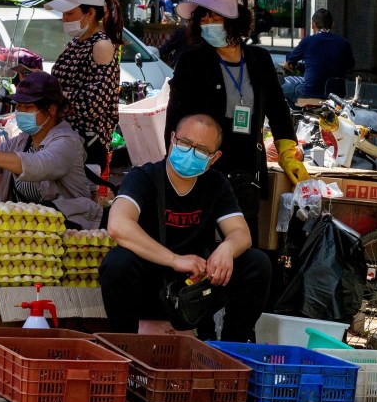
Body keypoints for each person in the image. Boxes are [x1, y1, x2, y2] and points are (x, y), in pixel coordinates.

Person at [100, 113, 271, 342]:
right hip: (150, 281)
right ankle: (126, 347)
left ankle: (234, 349)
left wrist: (227, 249)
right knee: (117, 263)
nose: (190, 153)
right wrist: (173, 259)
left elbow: (241, 233)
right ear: (172, 139)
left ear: (214, 157)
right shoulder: (144, 177)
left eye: (201, 150)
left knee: (256, 263)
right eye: (185, 143)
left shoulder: (216, 184)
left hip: (195, 284)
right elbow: (118, 225)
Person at [166, 0, 307, 241]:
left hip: (246, 176)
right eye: (203, 16)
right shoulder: (192, 61)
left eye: (215, 15)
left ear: (236, 18)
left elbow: (278, 111)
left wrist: (288, 152)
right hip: (203, 170)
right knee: (199, 246)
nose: (208, 22)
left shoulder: (260, 60)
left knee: (242, 246)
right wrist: (174, 165)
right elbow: (175, 120)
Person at [0, 71, 102, 230]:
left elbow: (39, 165)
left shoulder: (67, 142)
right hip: (25, 233)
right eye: (18, 107)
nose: (20, 112)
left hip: (65, 234)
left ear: (51, 109)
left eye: (27, 107)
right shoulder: (23, 140)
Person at [46, 0, 123, 180]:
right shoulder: (76, 42)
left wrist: (55, 93)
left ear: (90, 13)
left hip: (86, 146)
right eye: (63, 13)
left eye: (70, 13)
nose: (64, 18)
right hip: (64, 140)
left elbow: (94, 105)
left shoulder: (101, 46)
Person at [281, 8, 355, 101]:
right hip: (338, 96)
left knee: (285, 88)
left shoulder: (308, 41)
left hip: (311, 93)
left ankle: (295, 114)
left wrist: (287, 64)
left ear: (313, 25)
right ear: (332, 24)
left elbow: (290, 60)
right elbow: (350, 65)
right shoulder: (344, 43)